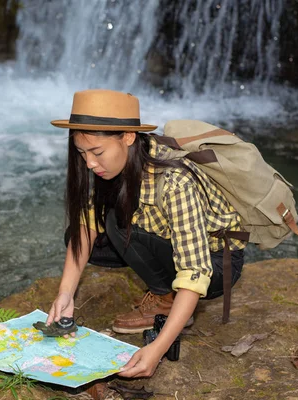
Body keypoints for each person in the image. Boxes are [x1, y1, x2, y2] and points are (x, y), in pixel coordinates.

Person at [46, 89, 246, 378]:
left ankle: (168, 300)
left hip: (215, 265)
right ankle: (163, 288)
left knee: (116, 222)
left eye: (97, 152)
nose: (89, 163)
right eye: (82, 153)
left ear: (128, 137)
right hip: (166, 239)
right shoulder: (113, 166)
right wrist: (65, 293)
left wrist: (158, 349)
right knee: (84, 233)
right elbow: (87, 225)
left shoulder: (176, 182)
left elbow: (194, 271)